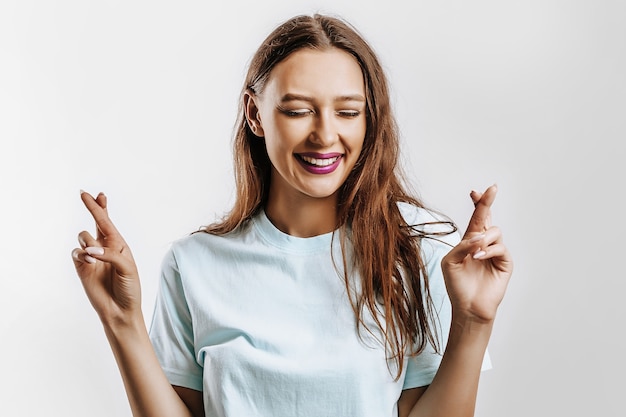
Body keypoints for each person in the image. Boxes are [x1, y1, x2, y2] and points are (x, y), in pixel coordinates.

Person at [72, 13, 512, 417]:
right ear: (255, 114)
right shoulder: (192, 265)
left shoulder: (418, 254)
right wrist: (121, 321)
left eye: (348, 111)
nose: (325, 134)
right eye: (298, 110)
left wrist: (473, 323)